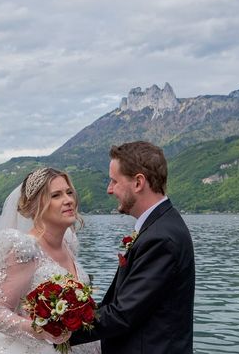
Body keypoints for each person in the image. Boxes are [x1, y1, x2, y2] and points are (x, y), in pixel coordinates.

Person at [70, 141, 195, 353]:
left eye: (114, 181)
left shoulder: (161, 238)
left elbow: (123, 314)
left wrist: (59, 329)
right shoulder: (159, 226)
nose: (109, 190)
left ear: (138, 183)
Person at [0, 167, 100, 354]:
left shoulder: (69, 243)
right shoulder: (25, 249)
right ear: (36, 205)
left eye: (69, 192)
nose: (68, 200)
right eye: (56, 195)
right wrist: (40, 329)